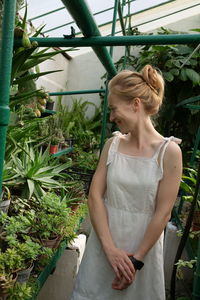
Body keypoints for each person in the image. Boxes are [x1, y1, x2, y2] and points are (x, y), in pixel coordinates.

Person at [70, 64, 182, 300]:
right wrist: (109, 250)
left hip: (142, 253)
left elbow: (163, 213)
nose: (111, 117)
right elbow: (94, 196)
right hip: (103, 246)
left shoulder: (169, 151)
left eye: (113, 109)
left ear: (135, 104)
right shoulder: (113, 145)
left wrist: (136, 260)